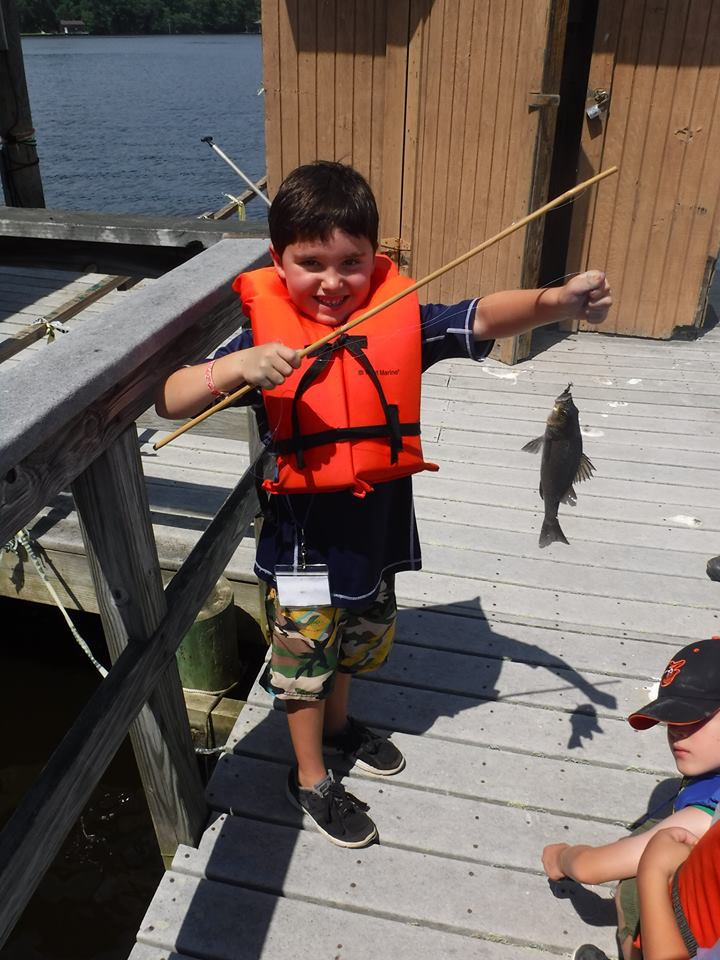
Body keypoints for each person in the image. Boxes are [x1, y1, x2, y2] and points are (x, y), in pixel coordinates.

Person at [157, 160, 612, 849]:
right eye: (312, 263)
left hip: (374, 534)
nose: (335, 280)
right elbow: (169, 400)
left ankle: (340, 731)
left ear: (378, 259)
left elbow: (483, 314)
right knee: (304, 670)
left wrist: (557, 302)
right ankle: (309, 777)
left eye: (352, 262)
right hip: (304, 548)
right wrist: (236, 369)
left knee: (355, 646)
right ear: (278, 262)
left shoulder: (401, 319)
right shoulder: (260, 342)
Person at [542, 638, 720, 960]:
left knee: (633, 887)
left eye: (693, 718)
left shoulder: (705, 813)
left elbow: (590, 867)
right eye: (671, 721)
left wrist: (561, 857)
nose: (677, 732)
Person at [636, 818, 720, 960]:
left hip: (668, 931)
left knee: (626, 896)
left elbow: (587, 868)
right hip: (680, 894)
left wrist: (653, 870)